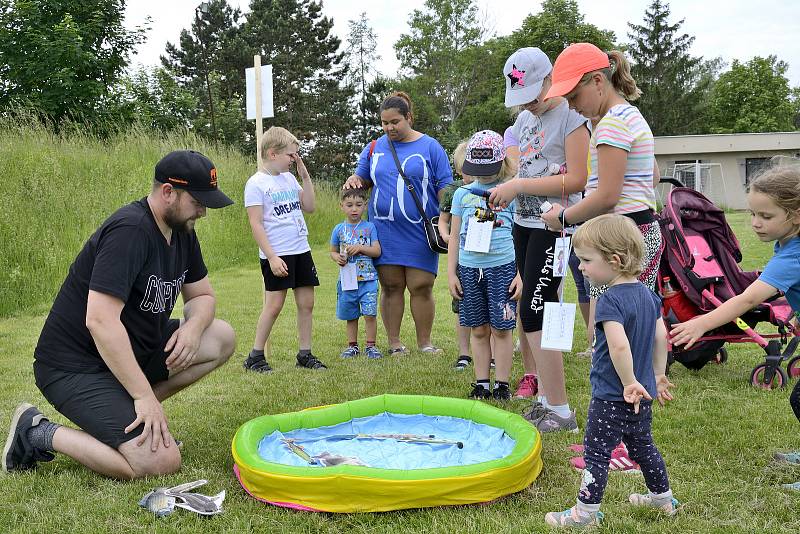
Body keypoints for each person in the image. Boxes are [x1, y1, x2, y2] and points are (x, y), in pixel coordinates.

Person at [3, 150, 236, 479]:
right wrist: (143, 395)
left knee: (220, 337)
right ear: (168, 192)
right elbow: (99, 321)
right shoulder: (130, 231)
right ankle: (36, 432)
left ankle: (132, 420)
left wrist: (195, 327)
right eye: (198, 202)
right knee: (160, 463)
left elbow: (203, 296)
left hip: (129, 352)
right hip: (75, 366)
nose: (203, 212)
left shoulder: (183, 231)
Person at [669, 162, 800, 489]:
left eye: (766, 216)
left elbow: (746, 300)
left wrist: (701, 323)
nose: (755, 223)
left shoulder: (793, 253)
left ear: (796, 216)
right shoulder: (788, 243)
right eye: (752, 213)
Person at [545, 214, 678, 528]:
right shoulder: (649, 295)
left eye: (587, 260)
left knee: (597, 452)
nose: (581, 267)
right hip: (641, 393)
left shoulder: (608, 300)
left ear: (615, 260)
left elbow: (618, 346)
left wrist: (629, 381)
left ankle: (584, 515)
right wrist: (657, 374)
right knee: (642, 445)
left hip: (612, 395)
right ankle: (662, 499)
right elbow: (661, 336)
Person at [488, 47, 590, 430]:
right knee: (530, 311)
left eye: (533, 93)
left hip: (556, 227)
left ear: (551, 78)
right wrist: (511, 191)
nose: (528, 103)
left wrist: (518, 185)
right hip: (524, 225)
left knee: (541, 311)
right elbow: (526, 165)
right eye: (522, 98)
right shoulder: (527, 120)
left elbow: (578, 179)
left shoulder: (573, 116)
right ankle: (548, 400)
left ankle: (562, 412)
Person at [540, 43, 662, 295]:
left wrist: (563, 217)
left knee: (607, 324)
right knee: (638, 319)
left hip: (616, 238)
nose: (571, 106)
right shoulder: (631, 116)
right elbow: (653, 177)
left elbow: (607, 197)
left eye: (573, 97)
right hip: (641, 230)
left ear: (597, 81)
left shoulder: (611, 125)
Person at [343, 92, 453, 355]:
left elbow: (445, 186)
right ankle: (394, 343)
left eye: (395, 122)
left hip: (420, 230)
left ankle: (424, 343)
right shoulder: (373, 148)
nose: (389, 127)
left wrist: (449, 218)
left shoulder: (431, 147)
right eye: (384, 123)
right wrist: (354, 180)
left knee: (421, 285)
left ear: (409, 118)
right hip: (384, 230)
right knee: (391, 286)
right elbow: (362, 178)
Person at [242, 126, 327, 372]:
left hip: (301, 249)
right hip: (277, 254)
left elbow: (309, 207)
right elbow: (255, 223)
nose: (295, 159)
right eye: (291, 155)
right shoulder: (256, 184)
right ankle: (255, 356)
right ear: (272, 153)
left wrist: (305, 177)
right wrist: (271, 257)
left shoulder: (290, 178)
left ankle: (305, 354)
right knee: (274, 305)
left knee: (306, 303)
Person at [448, 130, 522, 400]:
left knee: (502, 328)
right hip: (469, 269)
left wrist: (520, 274)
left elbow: (520, 235)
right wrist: (451, 273)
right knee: (478, 328)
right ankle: (482, 384)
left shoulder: (512, 192)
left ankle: (502, 384)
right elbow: (455, 237)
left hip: (503, 268)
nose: (485, 173)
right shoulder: (462, 196)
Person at [329, 187, 383, 360]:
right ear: (342, 206)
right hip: (347, 280)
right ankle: (352, 346)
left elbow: (377, 251)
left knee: (369, 313)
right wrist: (337, 258)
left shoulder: (369, 227)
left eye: (358, 205)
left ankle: (371, 346)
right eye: (349, 205)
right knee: (350, 315)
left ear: (365, 206)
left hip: (368, 280)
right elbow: (333, 251)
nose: (354, 209)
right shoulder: (338, 229)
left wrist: (360, 248)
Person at [439, 140, 475, 370]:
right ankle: (464, 353)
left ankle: (490, 355)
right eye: (465, 169)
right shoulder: (453, 191)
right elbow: (443, 221)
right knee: (461, 306)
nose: (469, 175)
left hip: (485, 257)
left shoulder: (492, 188)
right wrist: (446, 235)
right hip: (461, 255)